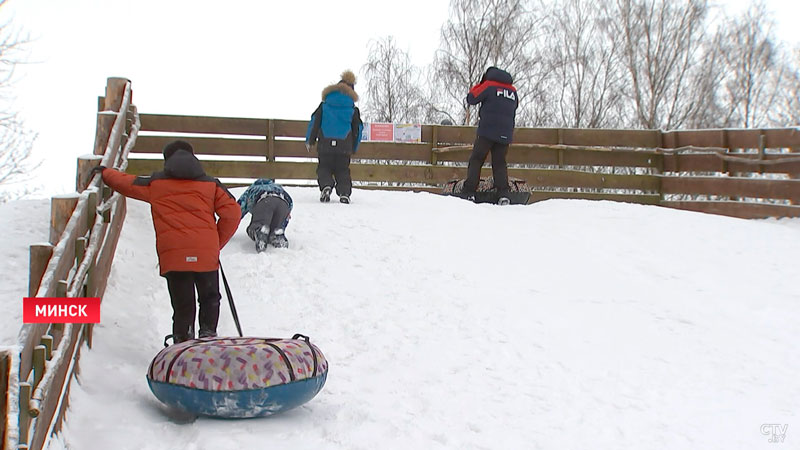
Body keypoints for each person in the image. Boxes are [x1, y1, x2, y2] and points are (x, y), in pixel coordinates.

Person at [92, 140, 241, 344]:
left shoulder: (156, 184)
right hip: (206, 255)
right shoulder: (211, 184)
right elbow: (233, 213)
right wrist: (215, 243)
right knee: (209, 299)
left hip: (175, 257)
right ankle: (208, 339)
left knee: (183, 305)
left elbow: (127, 183)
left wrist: (106, 173)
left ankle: (182, 345)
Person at [462, 66, 519, 205]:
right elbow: (515, 106)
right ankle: (503, 195)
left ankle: (469, 192)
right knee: (499, 163)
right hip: (505, 133)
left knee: (476, 159)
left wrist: (481, 83)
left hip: (487, 130)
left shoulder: (488, 85)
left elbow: (471, 98)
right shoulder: (512, 91)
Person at [305, 70, 364, 204]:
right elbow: (358, 129)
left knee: (324, 167)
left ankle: (326, 186)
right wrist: (354, 147)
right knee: (342, 169)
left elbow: (315, 121)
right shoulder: (353, 109)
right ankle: (344, 193)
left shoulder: (325, 105)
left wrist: (310, 140)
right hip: (344, 145)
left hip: (325, 143)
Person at [237, 178, 293, 252]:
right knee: (276, 224)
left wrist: (230, 224)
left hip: (264, 201)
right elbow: (289, 205)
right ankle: (277, 232)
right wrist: (283, 224)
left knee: (257, 224)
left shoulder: (253, 188)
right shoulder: (278, 187)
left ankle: (260, 230)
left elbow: (238, 210)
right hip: (283, 203)